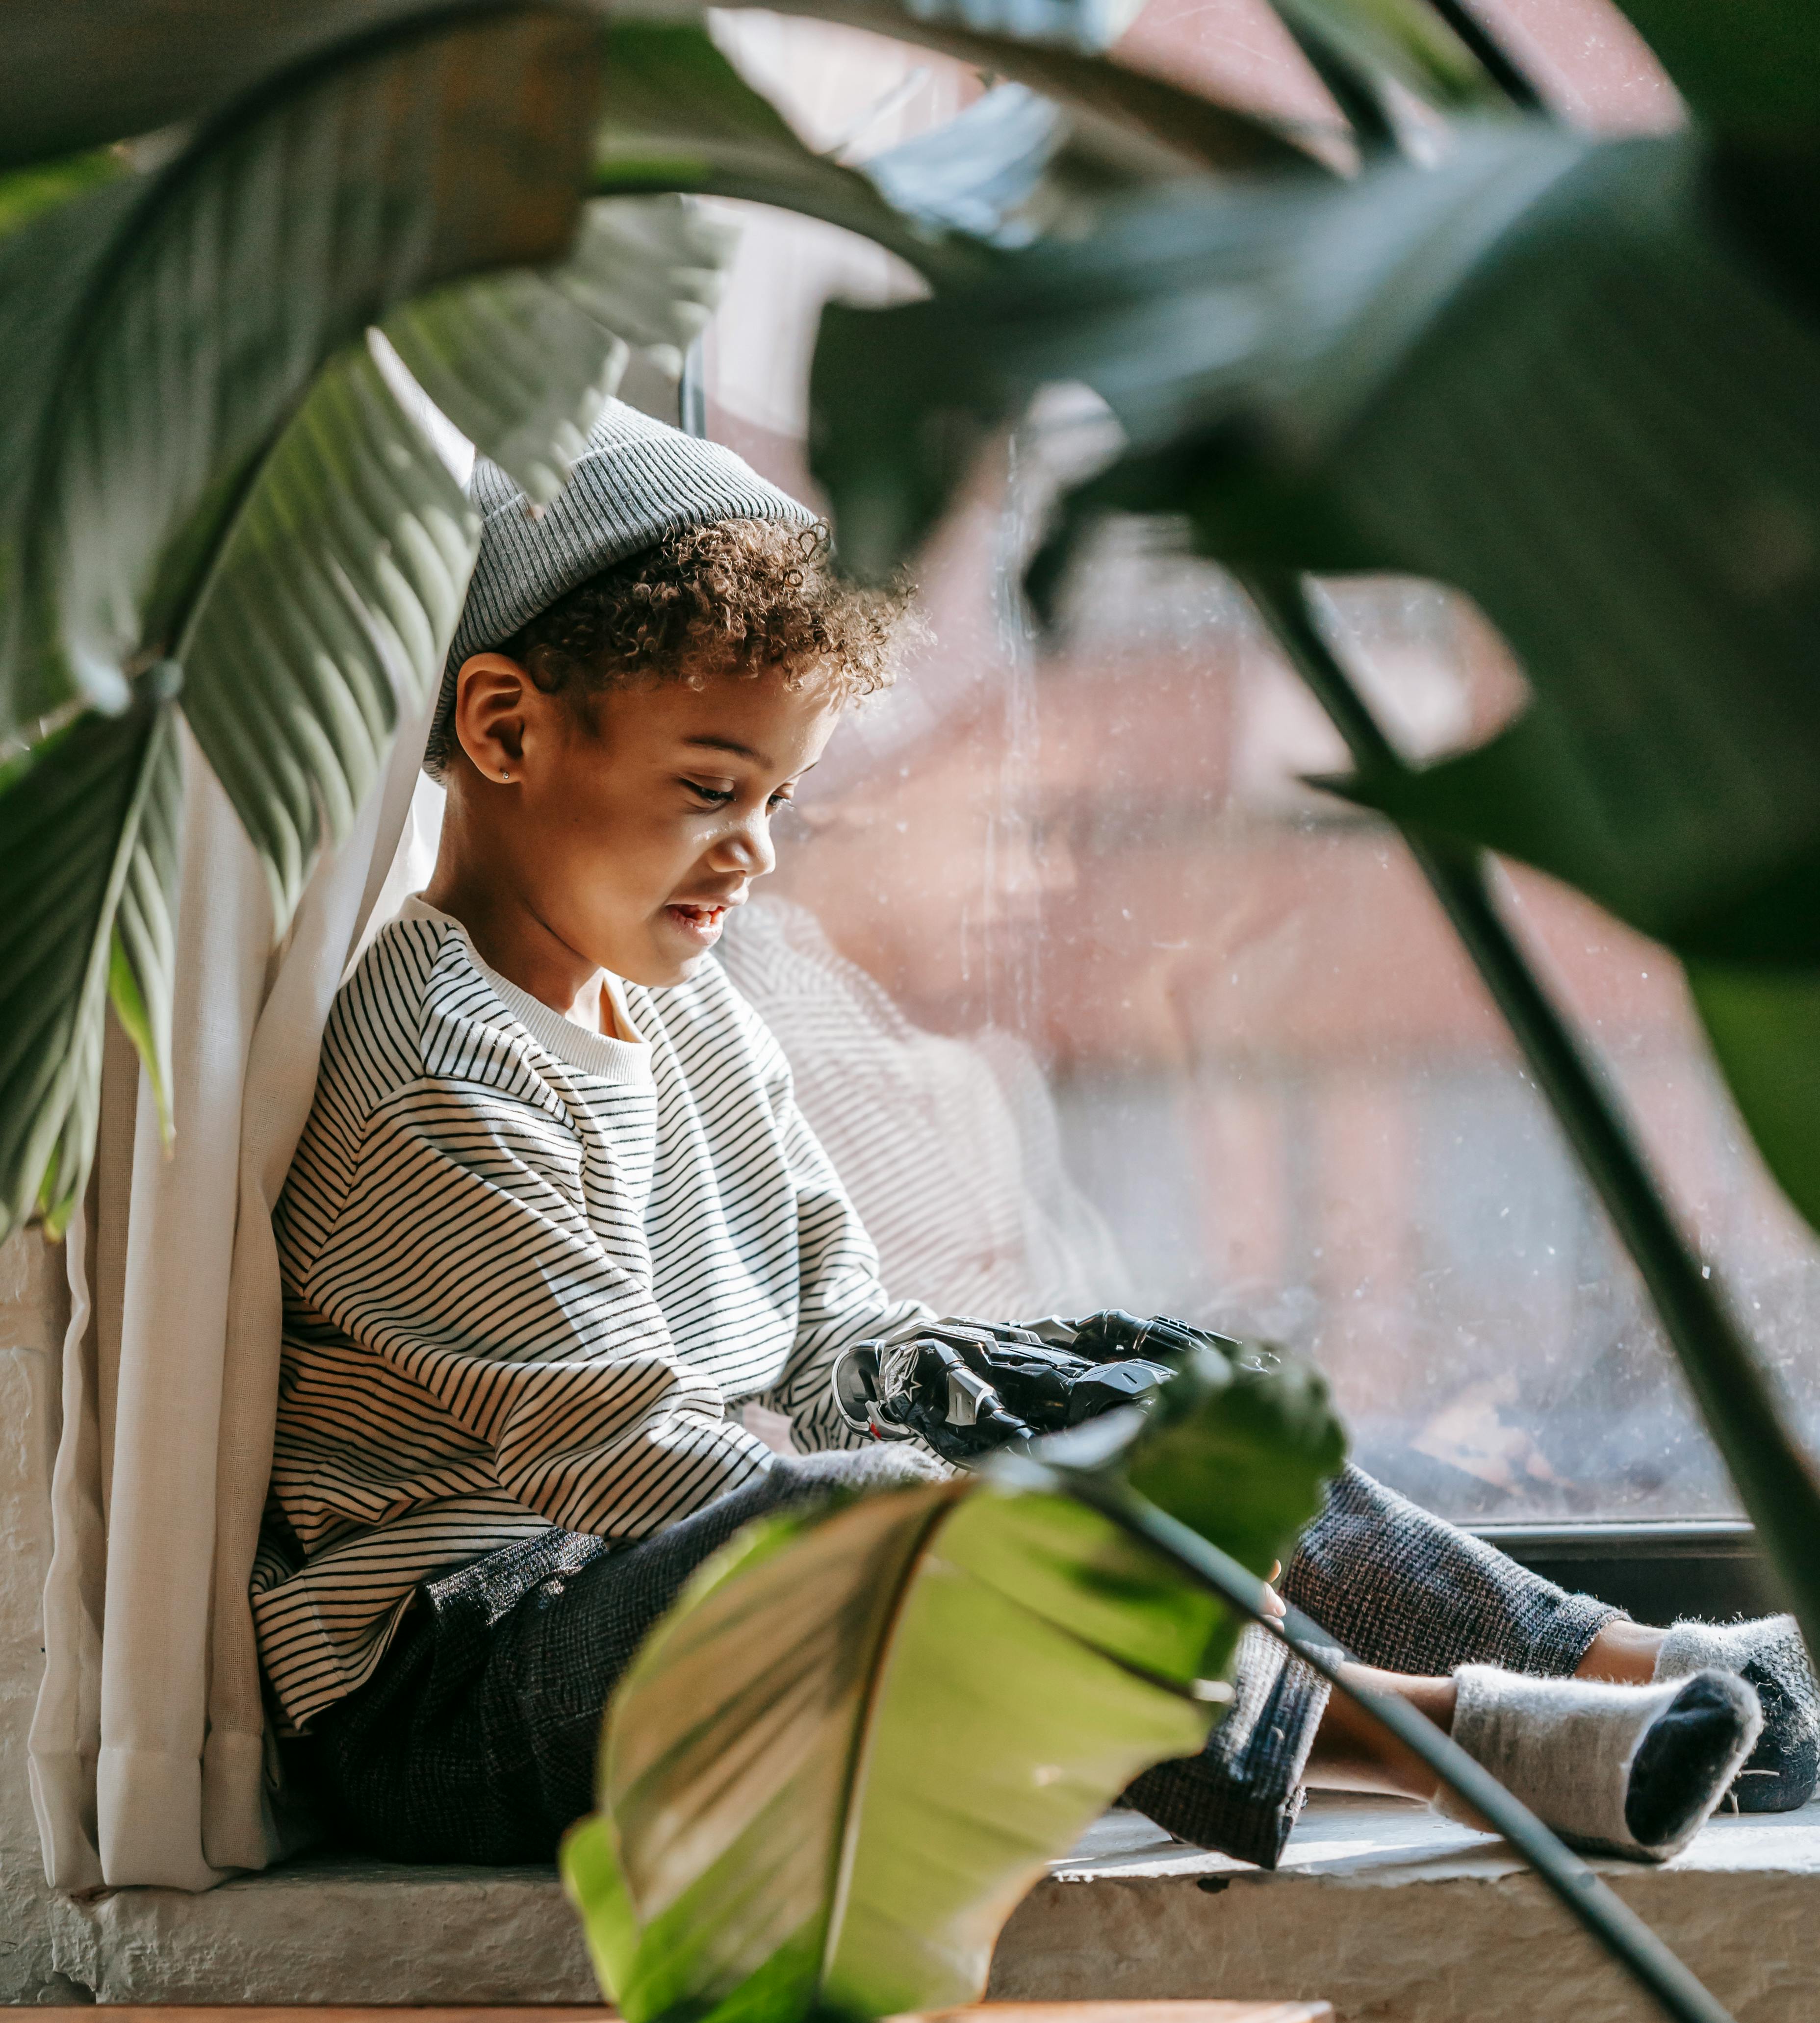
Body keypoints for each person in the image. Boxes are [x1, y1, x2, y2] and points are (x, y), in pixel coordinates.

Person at [254, 405, 1817, 1876]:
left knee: (1145, 1393)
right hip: (469, 1667)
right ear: (507, 730)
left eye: (782, 796)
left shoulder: (689, 1011)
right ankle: (1454, 1742)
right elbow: (627, 1462)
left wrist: (1080, 1436)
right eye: (711, 789)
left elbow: (838, 1326)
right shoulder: (430, 1075)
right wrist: (995, 1522)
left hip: (699, 1565)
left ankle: (1620, 1669)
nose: (756, 851)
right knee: (899, 1534)